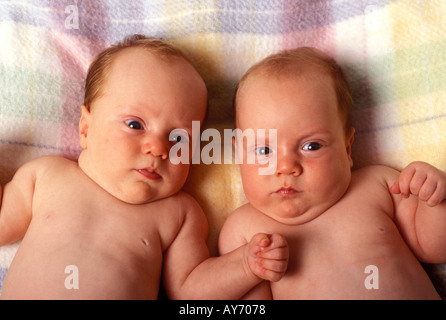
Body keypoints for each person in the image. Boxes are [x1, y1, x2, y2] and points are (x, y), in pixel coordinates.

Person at [0, 35, 288, 299]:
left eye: (179, 138)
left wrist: (245, 265)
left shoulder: (178, 214)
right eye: (135, 125)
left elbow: (189, 291)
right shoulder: (46, 175)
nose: (159, 148)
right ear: (86, 129)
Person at [219, 47, 446, 299]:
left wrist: (434, 199)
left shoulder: (378, 185)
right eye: (263, 149)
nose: (286, 167)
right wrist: (249, 268)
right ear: (240, 156)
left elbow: (435, 248)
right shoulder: (243, 230)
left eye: (311, 146)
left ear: (347, 148)